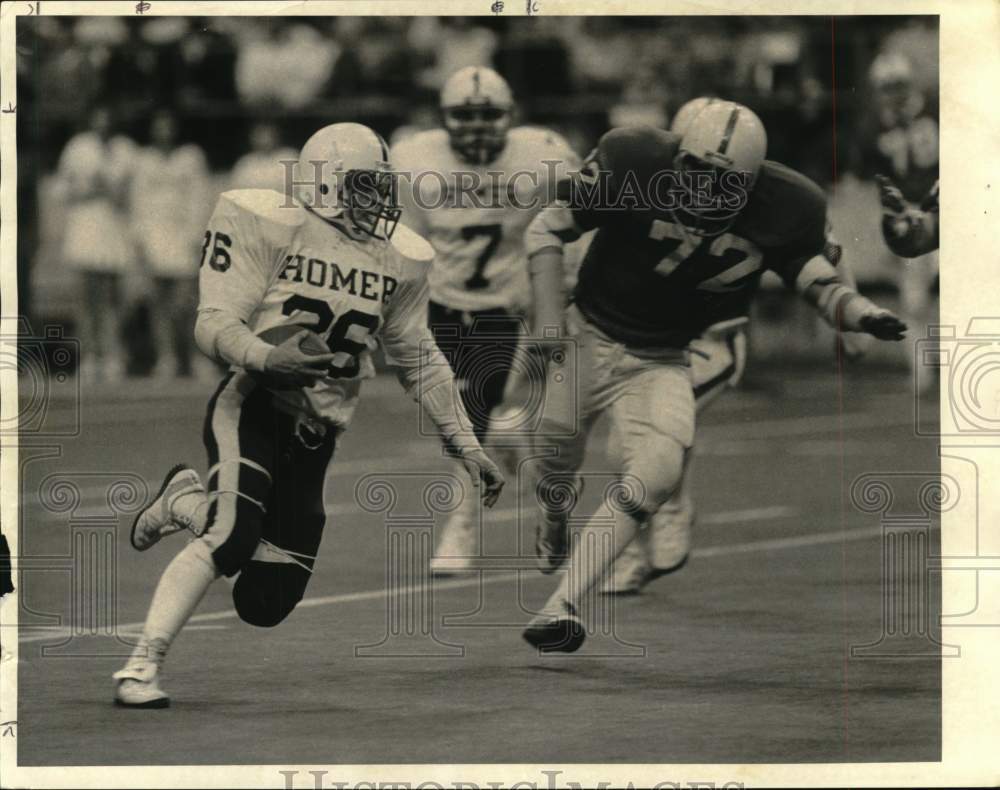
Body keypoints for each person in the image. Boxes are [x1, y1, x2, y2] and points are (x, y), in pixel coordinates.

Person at [113, 123, 505, 707]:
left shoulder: (397, 256)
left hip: (319, 431)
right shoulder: (272, 225)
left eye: (382, 186)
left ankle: (184, 501)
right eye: (365, 185)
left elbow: (420, 359)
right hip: (253, 404)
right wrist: (269, 356)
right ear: (327, 184)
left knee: (265, 603)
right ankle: (140, 667)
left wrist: (467, 444)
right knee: (232, 539)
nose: (379, 199)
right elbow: (213, 322)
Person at [521, 103, 908, 651]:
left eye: (724, 184)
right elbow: (546, 227)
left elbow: (820, 284)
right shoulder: (632, 161)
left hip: (663, 358)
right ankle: (554, 512)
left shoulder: (788, 205)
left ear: (752, 185)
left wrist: (862, 315)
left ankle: (562, 604)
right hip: (587, 334)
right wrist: (547, 326)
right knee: (556, 451)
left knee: (654, 471)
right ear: (675, 157)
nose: (704, 193)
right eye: (696, 174)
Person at [601, 98, 869, 595]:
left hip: (712, 340)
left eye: (714, 176)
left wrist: (845, 323)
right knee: (635, 440)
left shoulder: (767, 202)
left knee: (634, 441)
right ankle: (645, 541)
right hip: (650, 339)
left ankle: (667, 517)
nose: (700, 185)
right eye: (690, 169)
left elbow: (827, 252)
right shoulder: (648, 186)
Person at [391, 66, 577, 575]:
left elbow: (573, 227)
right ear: (444, 118)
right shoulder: (412, 158)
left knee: (469, 421)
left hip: (511, 308)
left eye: (488, 115)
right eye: (464, 115)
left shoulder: (543, 155)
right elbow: (404, 243)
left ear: (510, 116)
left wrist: (555, 300)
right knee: (470, 421)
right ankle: (521, 461)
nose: (476, 126)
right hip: (445, 305)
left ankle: (462, 528)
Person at [129, 109, 214, 379]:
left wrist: (196, 236)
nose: (164, 132)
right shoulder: (143, 160)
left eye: (168, 126)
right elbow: (137, 203)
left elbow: (201, 199)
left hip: (184, 239)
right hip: (154, 239)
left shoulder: (191, 157)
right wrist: (140, 239)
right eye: (159, 126)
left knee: (186, 304)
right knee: (159, 304)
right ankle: (166, 358)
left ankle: (197, 358)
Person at [55, 105, 136, 383]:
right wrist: (88, 189)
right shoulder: (77, 148)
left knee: (111, 298)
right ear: (91, 121)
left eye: (108, 121)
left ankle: (113, 355)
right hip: (84, 230)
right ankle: (89, 357)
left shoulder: (125, 149)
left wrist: (107, 187)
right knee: (86, 300)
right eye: (98, 121)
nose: (103, 126)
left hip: (112, 231)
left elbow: (126, 194)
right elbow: (62, 190)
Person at [230, 120, 298, 193]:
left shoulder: (290, 156)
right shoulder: (245, 163)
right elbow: (236, 191)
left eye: (267, 135)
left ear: (276, 135)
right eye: (259, 136)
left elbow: (299, 188)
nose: (264, 140)